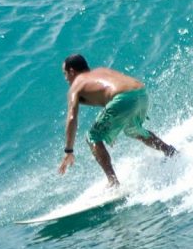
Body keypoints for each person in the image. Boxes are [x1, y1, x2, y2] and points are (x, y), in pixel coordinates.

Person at [58, 54, 176, 186]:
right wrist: (112, 128)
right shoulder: (101, 71)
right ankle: (170, 151)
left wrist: (69, 151)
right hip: (141, 93)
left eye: (65, 74)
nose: (66, 79)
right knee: (133, 130)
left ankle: (113, 182)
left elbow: (72, 118)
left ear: (72, 71)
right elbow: (112, 94)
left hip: (123, 99)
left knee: (92, 136)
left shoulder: (76, 86)